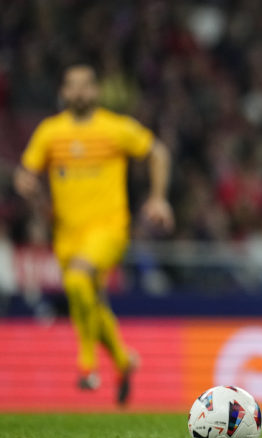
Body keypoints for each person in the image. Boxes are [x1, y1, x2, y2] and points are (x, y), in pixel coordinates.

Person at [14, 64, 174, 405]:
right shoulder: (50, 132)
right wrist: (24, 182)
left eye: (85, 85)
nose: (79, 92)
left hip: (109, 230)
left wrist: (158, 198)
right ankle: (122, 360)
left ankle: (87, 366)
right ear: (63, 91)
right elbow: (27, 171)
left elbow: (158, 151)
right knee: (92, 302)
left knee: (76, 281)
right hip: (66, 235)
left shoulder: (114, 128)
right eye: (72, 85)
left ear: (96, 91)